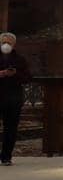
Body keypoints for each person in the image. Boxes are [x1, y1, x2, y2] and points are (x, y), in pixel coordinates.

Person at [0, 31, 30, 166]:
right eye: (3, 42)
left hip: (13, 98)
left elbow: (28, 78)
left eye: (9, 43)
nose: (6, 45)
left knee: (10, 128)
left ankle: (6, 156)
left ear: (14, 44)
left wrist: (15, 74)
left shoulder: (20, 60)